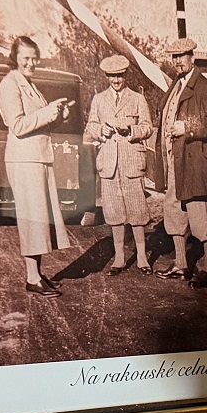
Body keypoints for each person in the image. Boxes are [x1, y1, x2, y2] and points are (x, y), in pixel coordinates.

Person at [0, 35, 73, 296]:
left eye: (34, 58)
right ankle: (31, 277)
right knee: (32, 218)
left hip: (37, 157)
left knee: (39, 218)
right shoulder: (10, 84)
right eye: (26, 58)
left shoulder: (28, 83)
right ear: (15, 58)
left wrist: (59, 117)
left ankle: (37, 274)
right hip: (24, 159)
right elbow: (18, 125)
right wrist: (48, 112)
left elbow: (39, 122)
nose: (31, 63)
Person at [156, 36, 207, 287]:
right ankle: (181, 265)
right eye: (174, 57)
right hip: (175, 160)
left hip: (196, 163)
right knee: (173, 210)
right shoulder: (176, 85)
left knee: (199, 213)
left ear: (192, 58)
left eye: (182, 56)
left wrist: (188, 128)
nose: (178, 61)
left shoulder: (203, 87)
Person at [85, 55, 155, 274]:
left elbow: (148, 127)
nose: (116, 80)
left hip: (131, 162)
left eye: (120, 76)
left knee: (137, 210)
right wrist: (100, 130)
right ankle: (119, 258)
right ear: (107, 76)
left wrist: (131, 130)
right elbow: (90, 126)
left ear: (126, 75)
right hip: (108, 163)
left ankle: (142, 257)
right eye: (112, 76)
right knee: (114, 212)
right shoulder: (98, 99)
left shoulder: (137, 99)